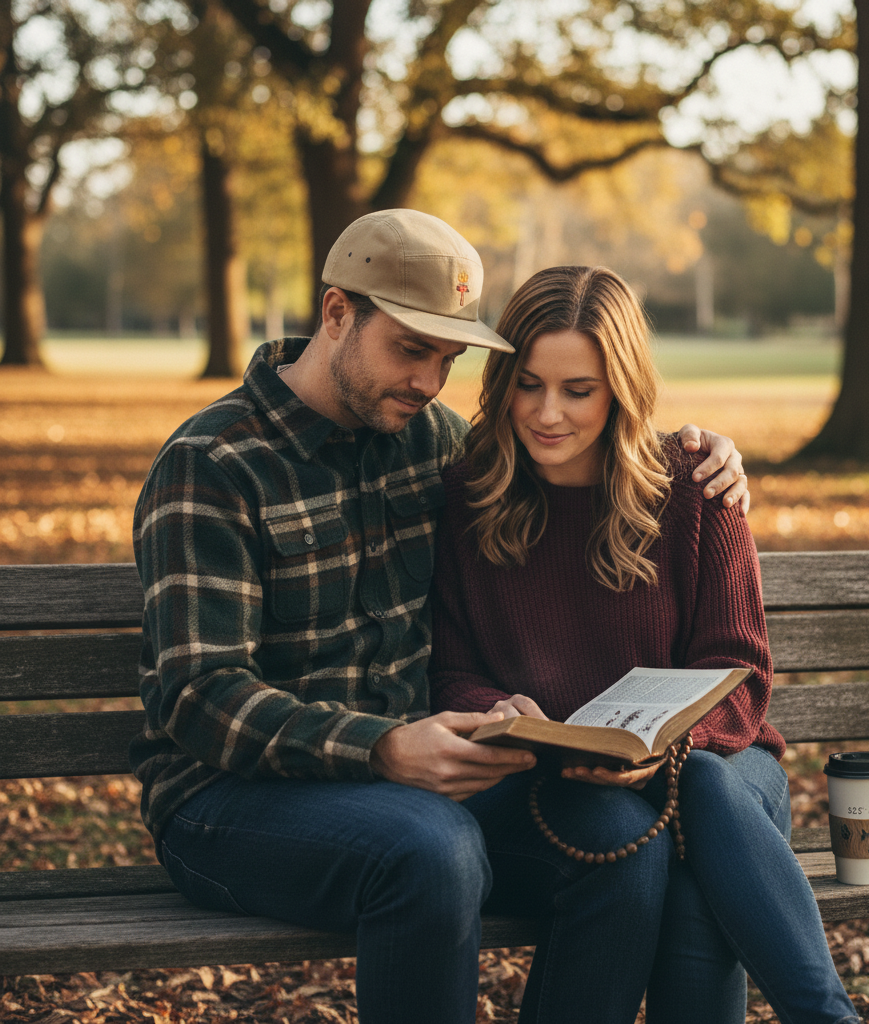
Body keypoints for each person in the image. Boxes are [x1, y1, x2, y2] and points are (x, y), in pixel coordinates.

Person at [130, 209, 751, 1024]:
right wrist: (383, 747)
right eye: (410, 349)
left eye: (448, 359)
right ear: (337, 313)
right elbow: (199, 694)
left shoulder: (434, 444)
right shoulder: (213, 466)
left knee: (620, 846)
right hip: (229, 800)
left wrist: (700, 457)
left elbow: (576, 449)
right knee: (430, 852)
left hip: (426, 779)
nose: (428, 381)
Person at [429, 265, 862, 1024]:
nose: (547, 414)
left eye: (579, 389)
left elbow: (742, 673)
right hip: (557, 784)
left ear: (621, 386)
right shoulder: (470, 495)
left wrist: (669, 745)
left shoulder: (695, 487)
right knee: (672, 868)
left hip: (724, 771)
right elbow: (453, 665)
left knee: (694, 789)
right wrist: (493, 707)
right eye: (528, 384)